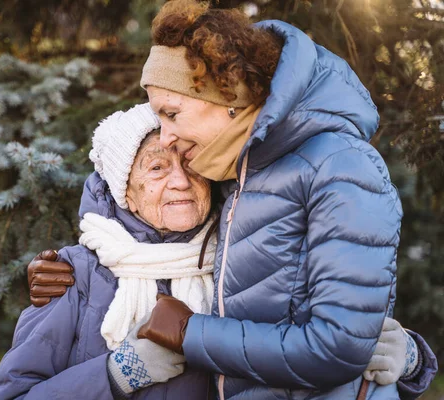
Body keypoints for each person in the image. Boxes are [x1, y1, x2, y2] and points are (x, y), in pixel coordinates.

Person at [25, 1, 437, 399]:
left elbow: (340, 339)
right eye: (156, 166)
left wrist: (412, 359)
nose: (168, 140)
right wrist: (66, 276)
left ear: (224, 99)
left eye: (172, 113)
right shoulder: (237, 178)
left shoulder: (334, 165)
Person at [0, 104, 217, 400]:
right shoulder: (74, 274)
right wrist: (118, 373)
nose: (181, 181)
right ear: (126, 192)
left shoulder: (233, 256)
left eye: (190, 162)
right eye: (157, 168)